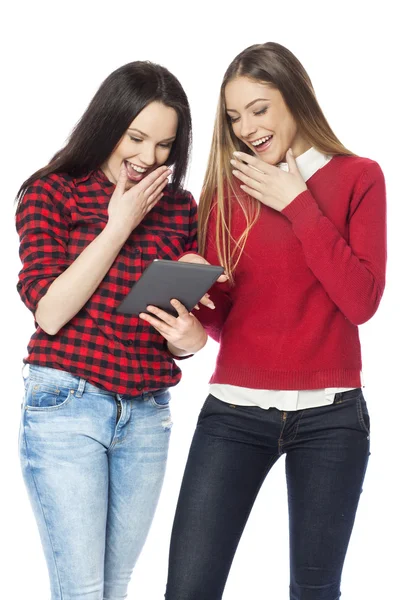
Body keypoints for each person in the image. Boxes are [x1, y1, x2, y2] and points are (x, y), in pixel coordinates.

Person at [156, 42, 386, 599]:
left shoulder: (360, 177)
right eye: (235, 117)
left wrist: (297, 200)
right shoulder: (228, 191)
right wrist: (193, 330)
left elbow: (361, 301)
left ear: (295, 97)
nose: (248, 128)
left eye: (259, 108)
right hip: (233, 412)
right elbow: (230, 312)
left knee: (314, 590)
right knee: (188, 589)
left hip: (331, 418)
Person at [16, 60, 209, 600]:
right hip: (67, 401)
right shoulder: (52, 192)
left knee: (114, 587)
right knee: (81, 590)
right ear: (108, 124)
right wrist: (119, 222)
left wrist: (189, 338)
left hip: (147, 411)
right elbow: (50, 312)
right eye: (136, 137)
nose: (148, 159)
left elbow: (169, 324)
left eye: (165, 146)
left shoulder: (178, 208)